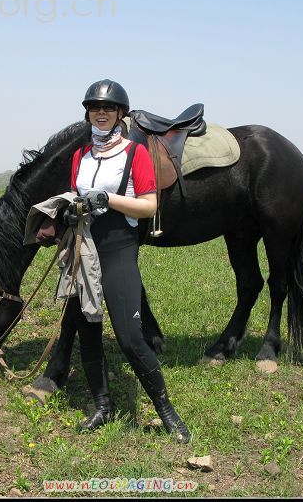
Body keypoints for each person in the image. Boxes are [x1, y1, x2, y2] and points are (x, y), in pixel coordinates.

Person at [62, 79, 191, 444]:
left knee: (131, 336)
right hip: (84, 246)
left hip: (119, 248)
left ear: (120, 114)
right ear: (88, 113)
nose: (100, 114)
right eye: (94, 108)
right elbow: (76, 196)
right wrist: (72, 212)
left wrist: (110, 201)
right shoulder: (80, 156)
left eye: (108, 109)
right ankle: (102, 405)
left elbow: (149, 205)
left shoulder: (135, 154)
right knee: (87, 329)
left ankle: (166, 411)